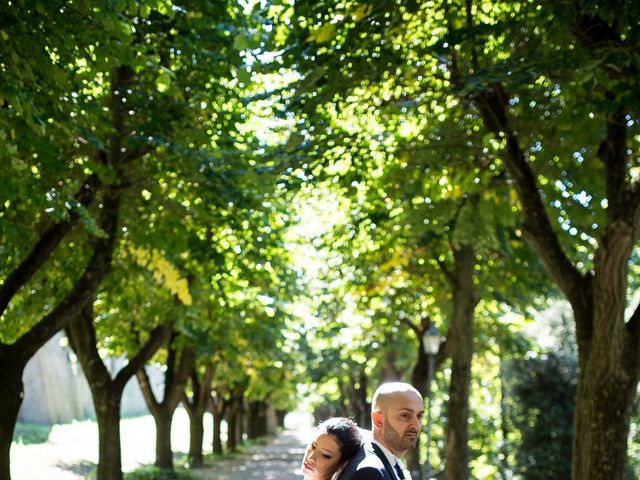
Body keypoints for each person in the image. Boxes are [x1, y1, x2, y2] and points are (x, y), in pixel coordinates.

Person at [337, 382, 424, 480]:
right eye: (405, 415)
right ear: (378, 420)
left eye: (419, 416)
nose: (416, 425)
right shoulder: (369, 473)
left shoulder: (389, 463)